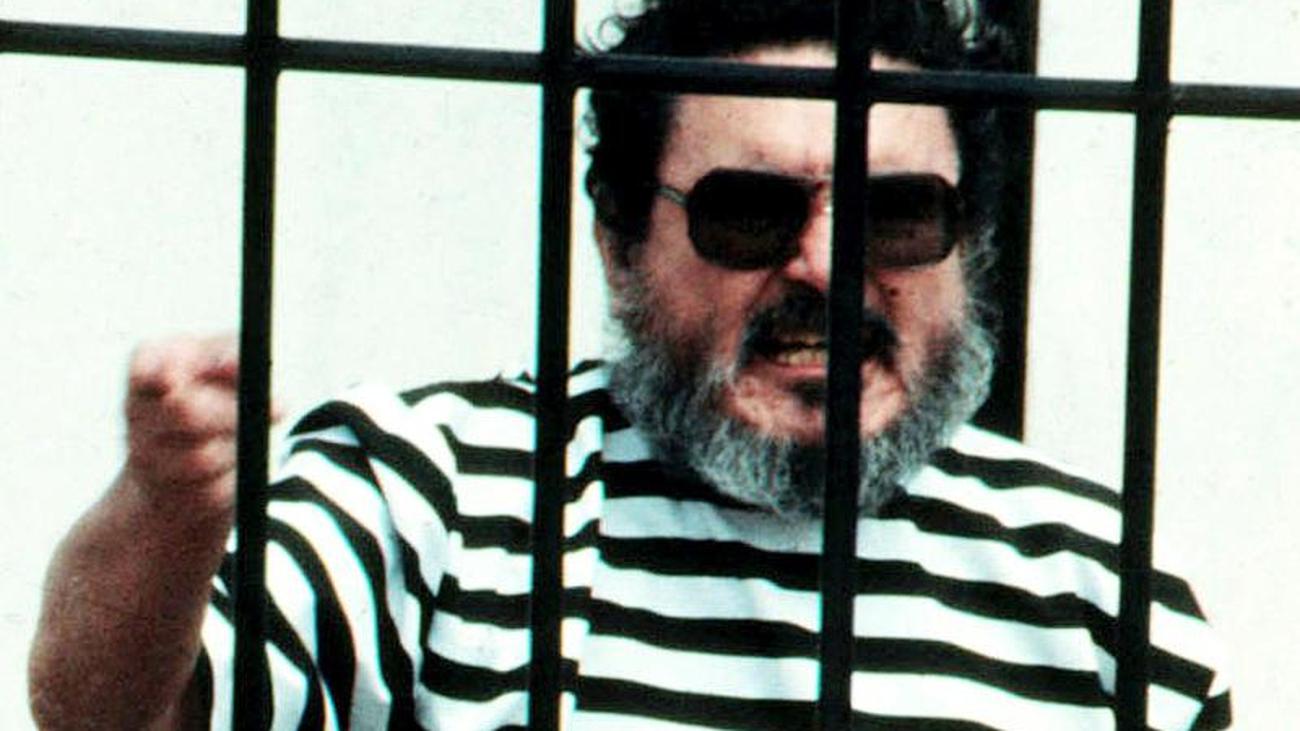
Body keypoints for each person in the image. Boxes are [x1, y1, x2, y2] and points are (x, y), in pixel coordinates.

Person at [29, 1, 1231, 728]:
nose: (826, 267)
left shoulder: (1098, 591)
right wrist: (168, 508)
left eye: (901, 213)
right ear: (618, 241)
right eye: (748, 212)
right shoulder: (433, 492)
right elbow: (111, 715)